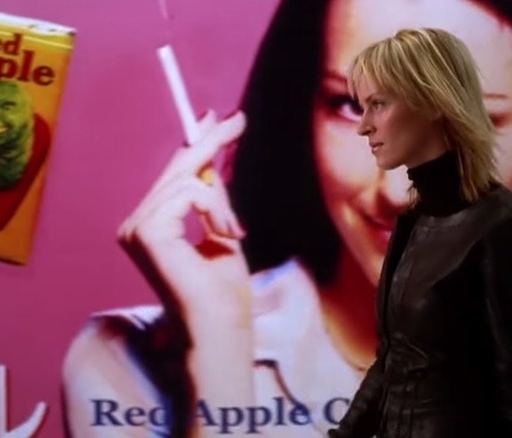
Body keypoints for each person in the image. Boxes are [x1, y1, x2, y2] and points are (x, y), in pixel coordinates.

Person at [62, 0, 512, 437]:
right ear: (302, 110)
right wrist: (220, 359)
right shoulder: (125, 367)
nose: (398, 191)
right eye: (354, 107)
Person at [328, 27, 512, 437]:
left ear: (431, 103)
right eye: (356, 107)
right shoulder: (413, 223)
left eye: (377, 105)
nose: (364, 127)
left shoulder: (498, 226)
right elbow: (394, 362)